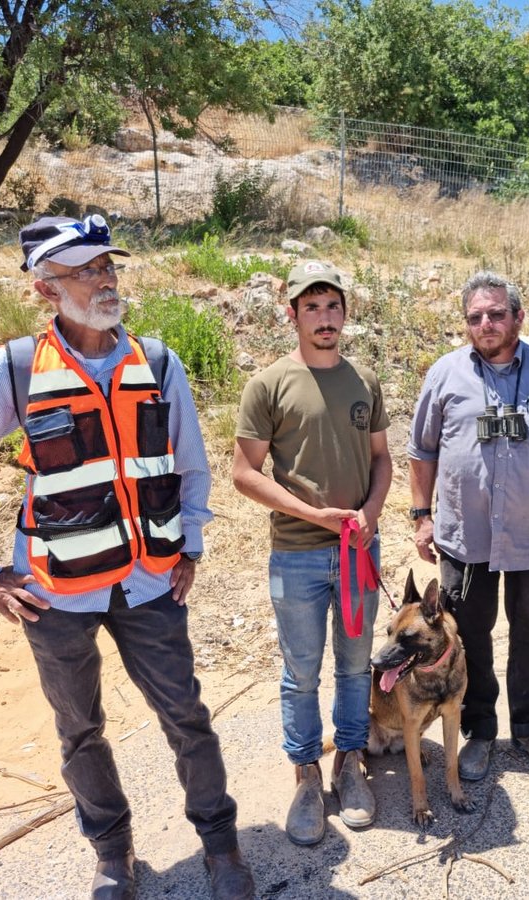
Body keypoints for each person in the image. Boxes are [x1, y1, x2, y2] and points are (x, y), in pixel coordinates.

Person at [0, 215, 254, 900]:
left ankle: (221, 845)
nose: (104, 278)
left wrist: (190, 545)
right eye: (83, 270)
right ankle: (113, 855)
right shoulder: (15, 369)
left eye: (106, 264)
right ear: (45, 290)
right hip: (54, 595)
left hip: (151, 584)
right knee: (80, 731)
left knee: (187, 718)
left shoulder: (160, 362)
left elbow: (192, 469)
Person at [231, 261, 391, 845]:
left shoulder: (364, 381)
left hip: (358, 555)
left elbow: (380, 458)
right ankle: (305, 773)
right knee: (300, 673)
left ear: (345, 313)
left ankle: (349, 763)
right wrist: (313, 514)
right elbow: (244, 475)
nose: (324, 319)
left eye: (333, 306)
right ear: (293, 314)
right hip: (297, 555)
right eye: (312, 307)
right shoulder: (268, 384)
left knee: (354, 666)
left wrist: (370, 514)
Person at [407, 271, 529, 782]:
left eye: (497, 313)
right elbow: (422, 451)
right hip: (466, 537)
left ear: (518, 316)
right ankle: (480, 730)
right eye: (475, 316)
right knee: (469, 637)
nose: (486, 323)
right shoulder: (445, 374)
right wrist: (421, 515)